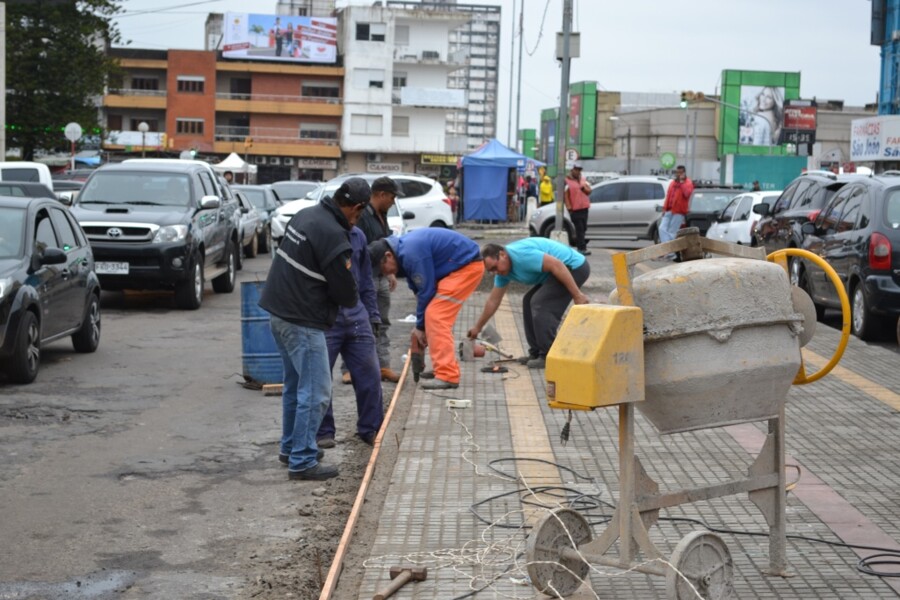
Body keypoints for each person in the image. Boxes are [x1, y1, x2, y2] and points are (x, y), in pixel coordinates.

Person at [258, 177, 370, 481]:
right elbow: (348, 295)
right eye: (359, 214)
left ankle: (292, 446)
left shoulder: (306, 215)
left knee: (296, 386)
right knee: (317, 391)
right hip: (301, 321)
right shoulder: (333, 235)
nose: (356, 220)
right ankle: (303, 460)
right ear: (356, 207)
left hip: (278, 313)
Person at [368, 229, 483, 390]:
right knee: (432, 315)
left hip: (466, 268)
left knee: (436, 316)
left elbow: (426, 290)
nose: (384, 273)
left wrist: (420, 327)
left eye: (382, 268)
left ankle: (447, 375)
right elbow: (418, 291)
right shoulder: (404, 252)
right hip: (456, 268)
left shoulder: (411, 252)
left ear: (388, 255)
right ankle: (442, 367)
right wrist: (420, 327)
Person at [468, 238, 591, 369]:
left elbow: (557, 265)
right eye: (490, 271)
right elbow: (493, 301)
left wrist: (577, 295)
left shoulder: (521, 256)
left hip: (574, 267)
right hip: (555, 273)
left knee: (540, 303)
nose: (494, 273)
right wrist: (477, 327)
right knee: (528, 301)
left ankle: (548, 355)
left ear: (502, 254)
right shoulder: (503, 273)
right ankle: (536, 352)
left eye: (494, 267)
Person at [317, 225, 383, 448]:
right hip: (327, 316)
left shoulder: (358, 236)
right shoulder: (322, 234)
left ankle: (371, 427)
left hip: (356, 315)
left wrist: (372, 314)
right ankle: (323, 431)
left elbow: (365, 280)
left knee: (370, 374)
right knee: (320, 376)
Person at [350, 176, 405, 385]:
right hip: (365, 278)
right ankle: (351, 368)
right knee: (360, 323)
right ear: (381, 194)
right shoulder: (362, 214)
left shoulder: (383, 215)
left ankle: (383, 366)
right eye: (392, 197)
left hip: (381, 276)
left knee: (382, 322)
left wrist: (390, 272)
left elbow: (387, 245)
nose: (393, 201)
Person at [659, 165, 694, 250]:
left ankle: (669, 252)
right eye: (677, 172)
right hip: (669, 210)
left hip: (679, 211)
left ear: (684, 173)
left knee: (672, 232)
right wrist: (664, 208)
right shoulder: (673, 183)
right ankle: (669, 251)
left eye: (680, 172)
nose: (678, 174)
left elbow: (687, 194)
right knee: (662, 228)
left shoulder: (688, 183)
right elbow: (668, 196)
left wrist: (682, 183)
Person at [564, 162, 592, 255]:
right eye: (576, 170)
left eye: (579, 170)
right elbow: (566, 197)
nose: (578, 172)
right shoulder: (567, 181)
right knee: (579, 229)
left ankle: (581, 246)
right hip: (575, 210)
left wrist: (583, 188)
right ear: (572, 170)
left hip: (584, 208)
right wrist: (570, 209)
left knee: (583, 228)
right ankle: (581, 248)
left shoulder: (583, 180)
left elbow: (589, 191)